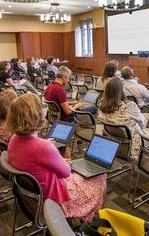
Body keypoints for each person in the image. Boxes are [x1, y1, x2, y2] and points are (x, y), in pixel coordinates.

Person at [7, 93, 106, 222]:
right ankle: (93, 219)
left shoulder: (14, 139)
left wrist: (47, 145)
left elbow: (33, 155)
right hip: (54, 194)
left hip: (35, 190)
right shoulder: (43, 147)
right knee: (100, 176)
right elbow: (66, 172)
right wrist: (51, 149)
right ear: (36, 115)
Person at [98, 77, 149, 160]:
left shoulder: (101, 106)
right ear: (121, 91)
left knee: (146, 116)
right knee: (148, 119)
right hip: (133, 146)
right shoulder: (129, 106)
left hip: (113, 144)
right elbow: (142, 124)